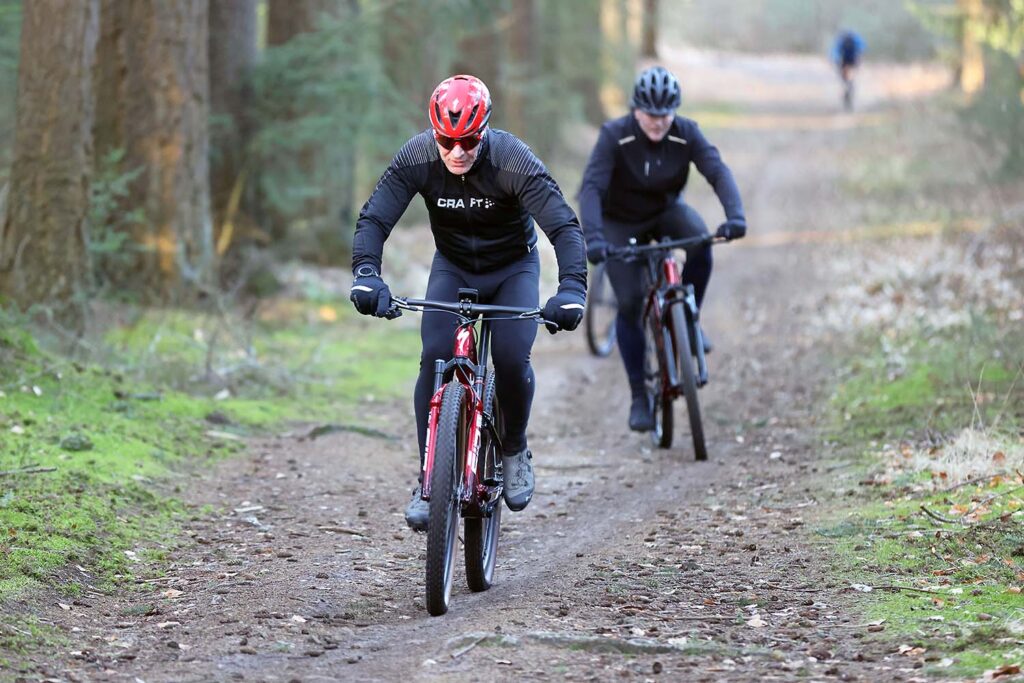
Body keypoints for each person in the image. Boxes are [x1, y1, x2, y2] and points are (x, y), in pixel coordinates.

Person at [350, 74, 587, 531]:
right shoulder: (418, 156)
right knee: (434, 357)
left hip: (512, 269)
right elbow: (375, 217)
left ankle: (514, 447)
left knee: (512, 357)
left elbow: (563, 226)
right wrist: (366, 274)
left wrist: (572, 289)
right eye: (447, 140)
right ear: (434, 132)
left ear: (486, 131)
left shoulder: (512, 160)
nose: (457, 151)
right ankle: (428, 481)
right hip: (453, 266)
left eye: (469, 140)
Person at [578, 65, 746, 433]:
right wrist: (594, 238)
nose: (657, 122)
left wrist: (735, 215)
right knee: (629, 301)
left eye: (665, 115)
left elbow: (717, 171)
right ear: (636, 110)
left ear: (675, 111)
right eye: (651, 115)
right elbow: (590, 188)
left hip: (664, 211)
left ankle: (690, 318)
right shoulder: (614, 136)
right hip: (619, 221)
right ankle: (640, 395)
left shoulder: (686, 134)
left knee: (701, 244)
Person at [832, 29, 866, 110]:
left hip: (844, 61)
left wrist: (836, 62)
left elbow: (834, 52)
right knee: (851, 79)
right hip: (853, 61)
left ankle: (847, 89)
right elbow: (862, 48)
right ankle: (849, 89)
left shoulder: (840, 41)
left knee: (845, 79)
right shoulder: (856, 39)